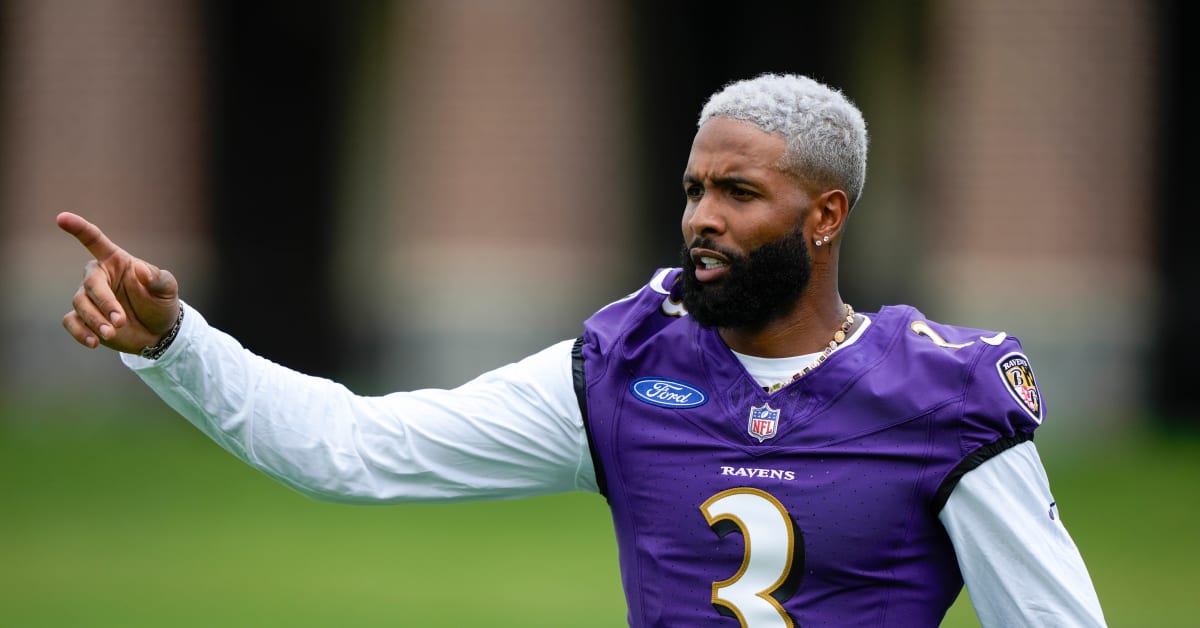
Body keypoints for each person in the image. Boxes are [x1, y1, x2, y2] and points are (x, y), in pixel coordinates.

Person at [59, 73, 1107, 627]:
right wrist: (176, 344)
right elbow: (354, 447)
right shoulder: (624, 369)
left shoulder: (942, 396)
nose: (703, 216)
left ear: (825, 216)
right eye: (696, 188)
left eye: (740, 193)